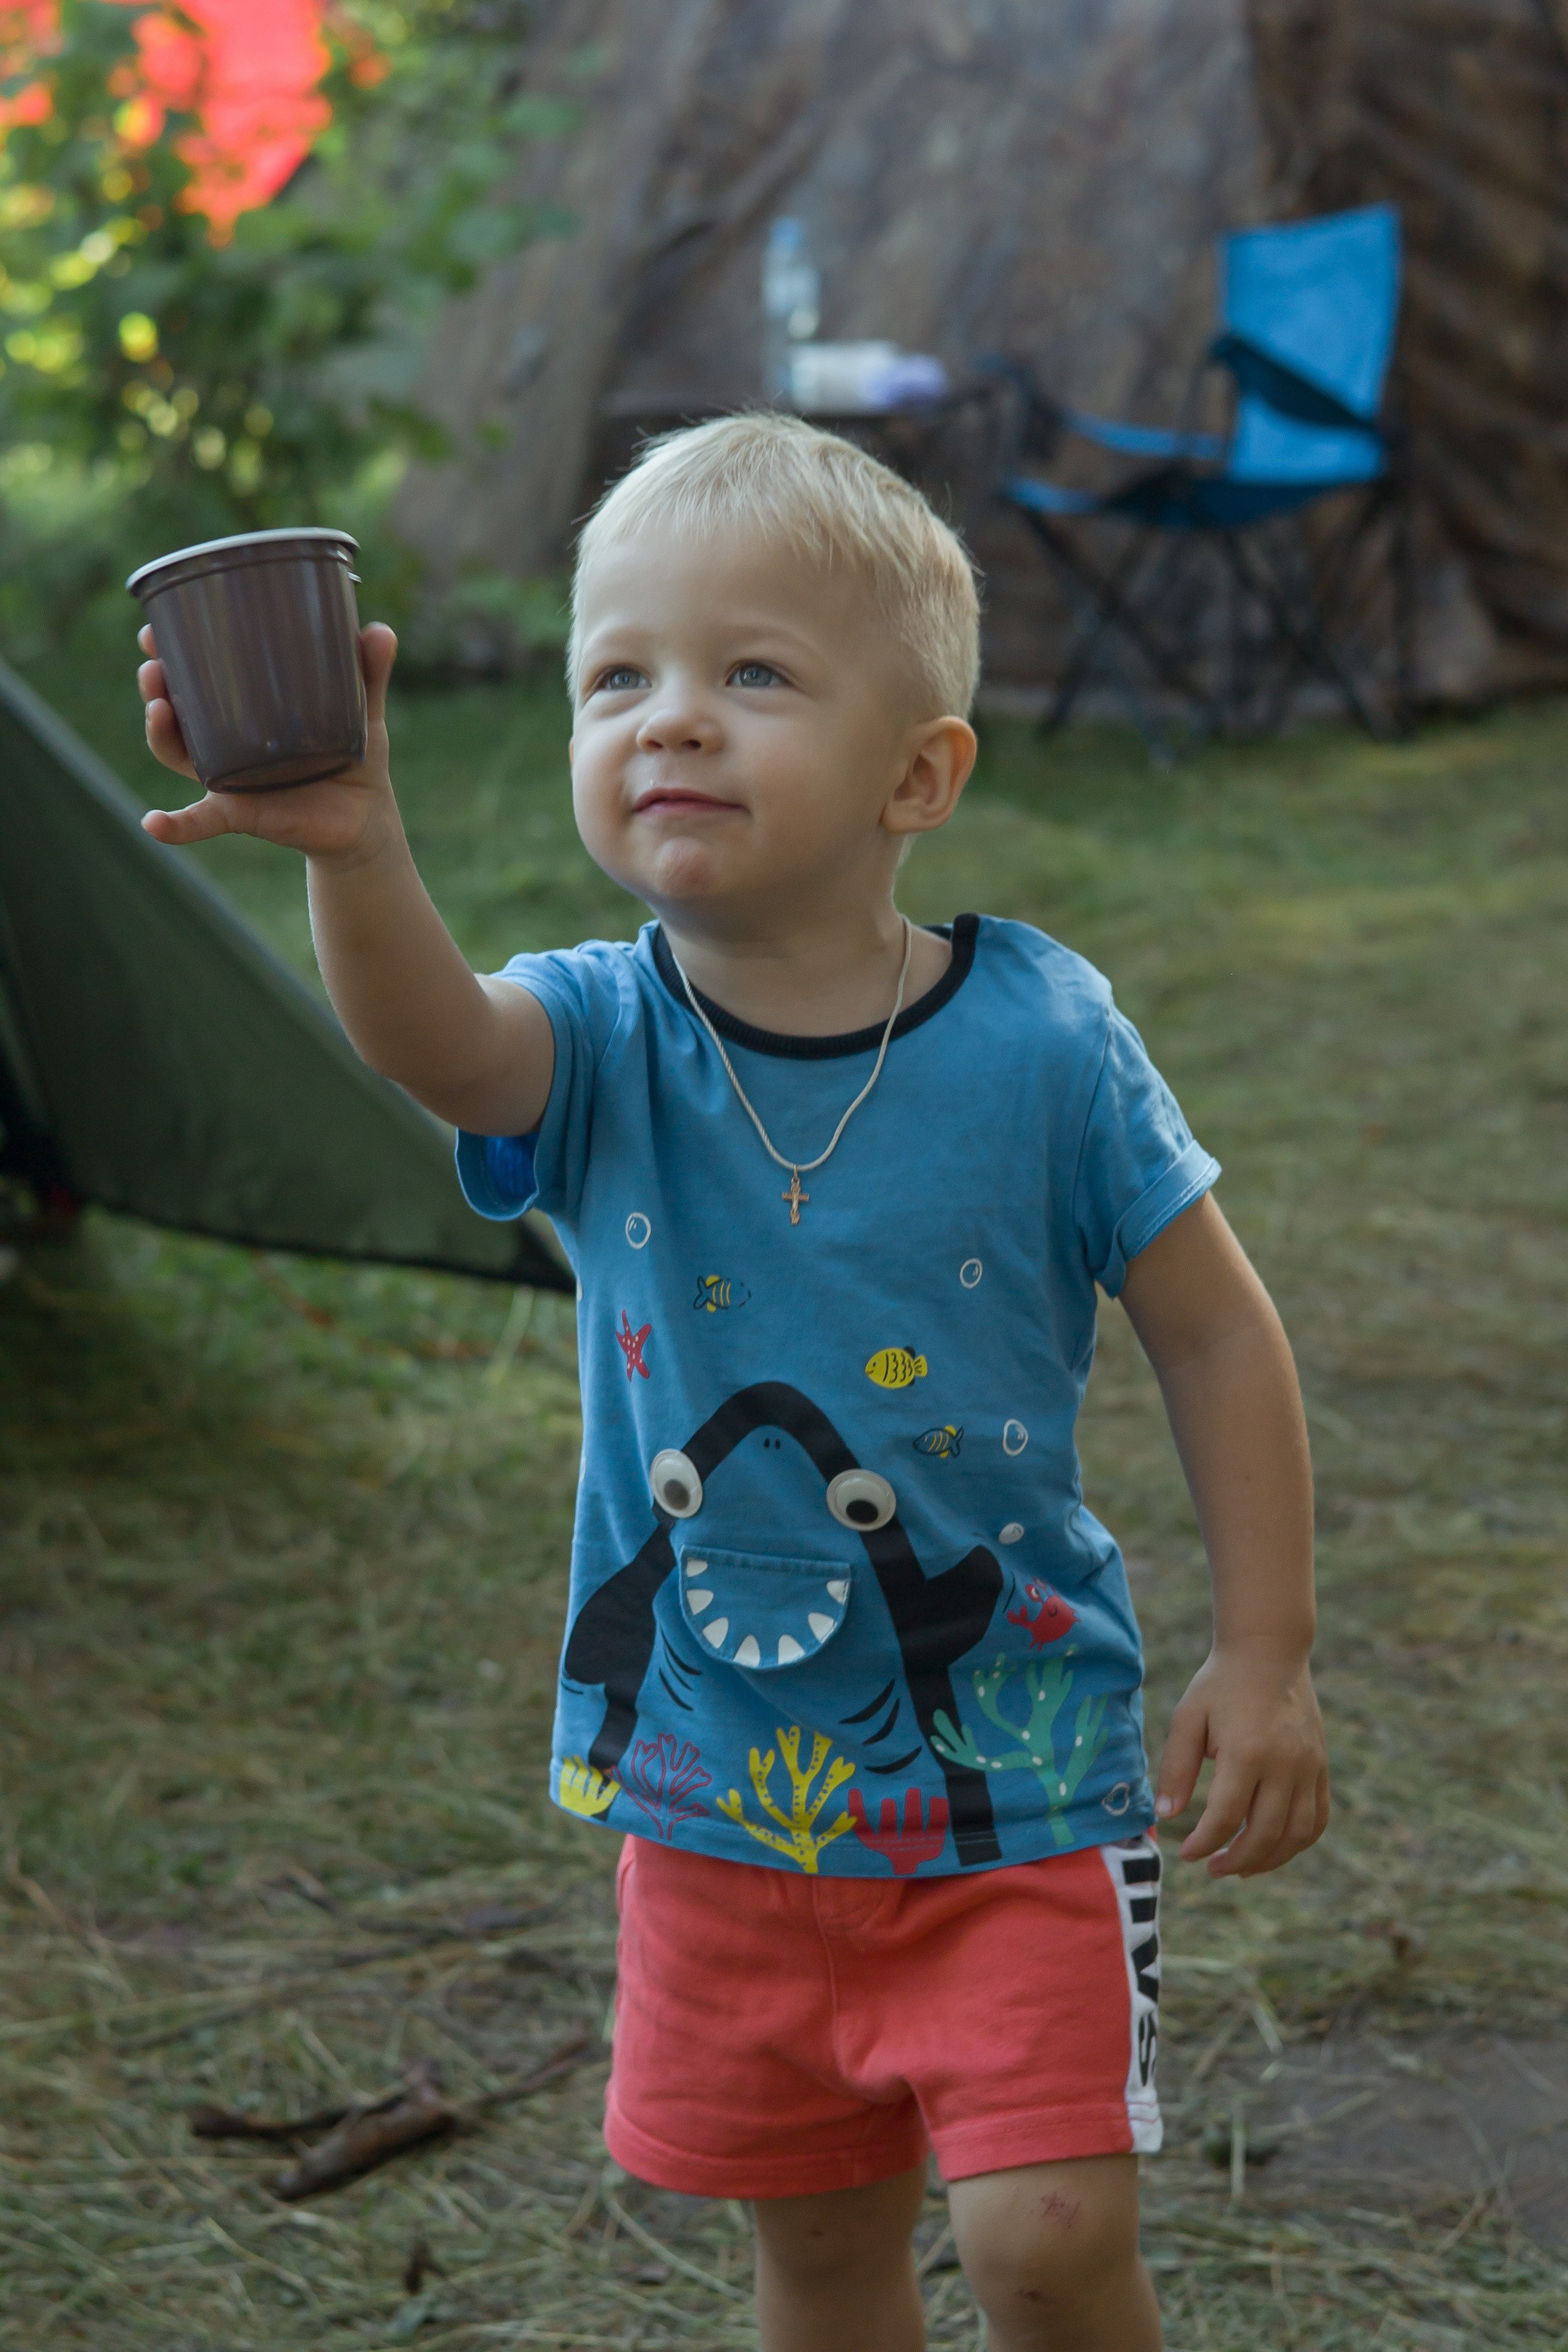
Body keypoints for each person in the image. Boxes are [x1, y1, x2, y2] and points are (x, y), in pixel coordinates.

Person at [137, 413, 1329, 2352]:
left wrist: (1264, 1653)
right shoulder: (601, 1035)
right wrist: (356, 846)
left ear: (918, 774)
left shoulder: (1045, 1037)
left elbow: (1215, 1325)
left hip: (1016, 1784)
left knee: (1041, 2244)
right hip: (719, 1805)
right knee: (824, 2264)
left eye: (752, 675)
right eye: (623, 676)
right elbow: (435, 1045)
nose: (671, 720)